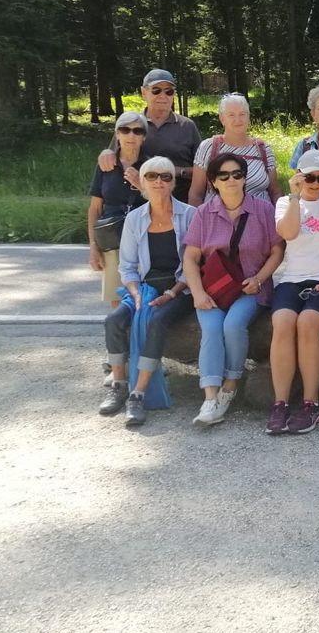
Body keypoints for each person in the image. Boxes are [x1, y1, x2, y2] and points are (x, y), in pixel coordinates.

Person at [182, 153, 283, 427]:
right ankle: (210, 398)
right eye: (224, 175)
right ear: (213, 181)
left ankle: (230, 385)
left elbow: (277, 251)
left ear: (245, 177)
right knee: (212, 329)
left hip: (251, 288)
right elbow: (190, 257)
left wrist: (260, 279)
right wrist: (198, 293)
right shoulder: (204, 213)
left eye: (237, 174)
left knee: (233, 325)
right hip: (213, 290)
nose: (232, 180)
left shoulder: (262, 210)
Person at [97, 157, 195, 426]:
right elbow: (127, 267)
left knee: (157, 320)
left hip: (181, 289)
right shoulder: (134, 219)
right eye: (151, 176)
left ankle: (137, 394)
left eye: (165, 177)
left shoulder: (190, 215)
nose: (159, 182)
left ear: (173, 182)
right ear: (142, 182)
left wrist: (173, 292)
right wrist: (136, 293)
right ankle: (118, 384)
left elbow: (195, 265)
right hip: (144, 287)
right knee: (114, 320)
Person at [266, 149, 319, 436]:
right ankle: (280, 403)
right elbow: (288, 233)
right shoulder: (285, 202)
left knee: (307, 323)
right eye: (309, 178)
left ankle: (311, 402)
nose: (314, 184)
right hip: (293, 278)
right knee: (282, 323)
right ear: (299, 176)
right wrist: (294, 197)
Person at [96, 69, 202, 203]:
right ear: (143, 92)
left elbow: (203, 170)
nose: (163, 96)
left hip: (179, 202)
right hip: (137, 203)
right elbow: (114, 156)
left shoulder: (187, 126)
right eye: (156, 90)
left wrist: (177, 171)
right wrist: (106, 153)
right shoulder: (132, 126)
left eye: (168, 91)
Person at [89, 111, 150, 306]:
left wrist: (140, 184)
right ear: (117, 134)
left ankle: (140, 335)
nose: (131, 136)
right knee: (118, 298)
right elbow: (95, 209)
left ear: (144, 137)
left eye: (137, 131)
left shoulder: (151, 165)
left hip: (145, 237)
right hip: (112, 237)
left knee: (145, 295)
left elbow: (163, 204)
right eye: (125, 130)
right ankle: (121, 336)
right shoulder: (105, 165)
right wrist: (93, 246)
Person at [188, 93, 280, 205]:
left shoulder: (262, 148)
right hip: (217, 219)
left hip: (260, 219)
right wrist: (196, 220)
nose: (238, 120)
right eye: (231, 115)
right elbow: (196, 193)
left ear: (248, 117)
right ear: (222, 119)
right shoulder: (208, 147)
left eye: (242, 114)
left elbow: (275, 192)